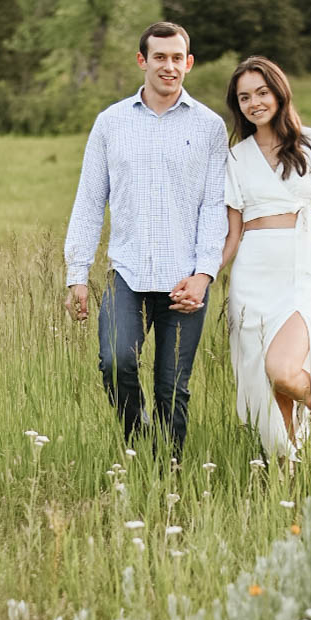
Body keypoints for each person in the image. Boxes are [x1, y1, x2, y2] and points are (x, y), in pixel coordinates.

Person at [64, 22, 228, 454]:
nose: (169, 66)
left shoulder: (211, 128)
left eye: (177, 58)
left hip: (184, 282)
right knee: (116, 362)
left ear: (189, 64)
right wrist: (77, 273)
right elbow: (88, 200)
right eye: (160, 57)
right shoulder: (110, 123)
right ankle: (138, 444)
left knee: (173, 389)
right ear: (143, 61)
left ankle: (167, 477)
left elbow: (215, 206)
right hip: (129, 275)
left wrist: (205, 275)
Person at [219, 56, 311, 461]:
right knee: (268, 385)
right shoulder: (236, 157)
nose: (255, 103)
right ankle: (288, 472)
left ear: (279, 92)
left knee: (283, 369)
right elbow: (233, 233)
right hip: (251, 275)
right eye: (244, 97)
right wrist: (203, 276)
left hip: (300, 270)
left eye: (262, 92)